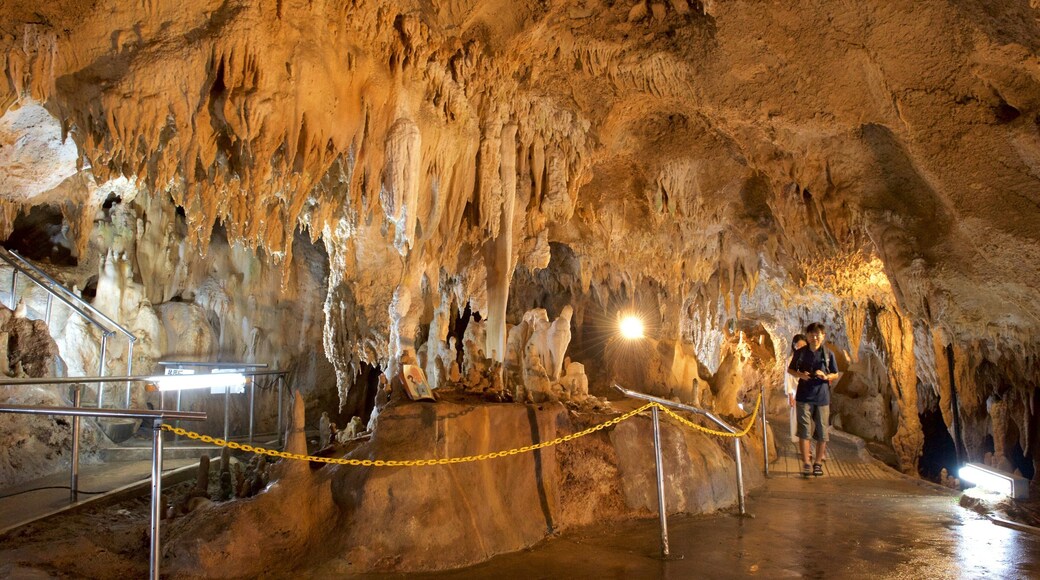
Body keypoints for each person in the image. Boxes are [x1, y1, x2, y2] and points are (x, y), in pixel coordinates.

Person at [787, 322, 839, 477]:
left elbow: (835, 374)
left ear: (823, 336)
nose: (814, 337)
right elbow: (790, 369)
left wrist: (825, 376)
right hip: (803, 396)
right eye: (811, 334)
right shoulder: (801, 353)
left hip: (822, 397)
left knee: (822, 432)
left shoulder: (829, 354)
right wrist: (801, 375)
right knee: (804, 432)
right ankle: (806, 463)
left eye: (818, 334)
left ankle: (817, 463)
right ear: (808, 336)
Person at [783, 334, 808, 444]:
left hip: (809, 391)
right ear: (794, 347)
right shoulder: (790, 360)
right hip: (796, 391)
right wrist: (790, 395)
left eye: (803, 345)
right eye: (799, 346)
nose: (801, 348)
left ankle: (808, 443)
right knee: (797, 417)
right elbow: (788, 378)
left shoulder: (810, 358)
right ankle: (799, 440)